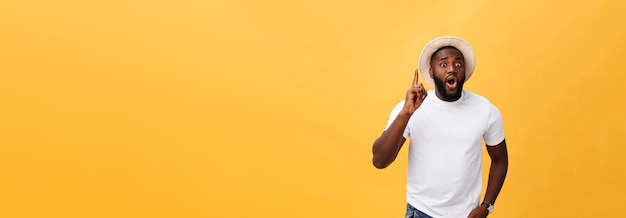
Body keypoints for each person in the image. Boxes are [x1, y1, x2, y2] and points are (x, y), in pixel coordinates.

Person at [372, 36, 508, 218]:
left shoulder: (486, 110)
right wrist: (406, 113)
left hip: (467, 215)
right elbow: (380, 160)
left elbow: (500, 160)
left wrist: (486, 206)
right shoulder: (411, 108)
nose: (451, 69)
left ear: (464, 71)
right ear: (431, 72)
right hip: (421, 212)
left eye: (458, 64)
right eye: (443, 64)